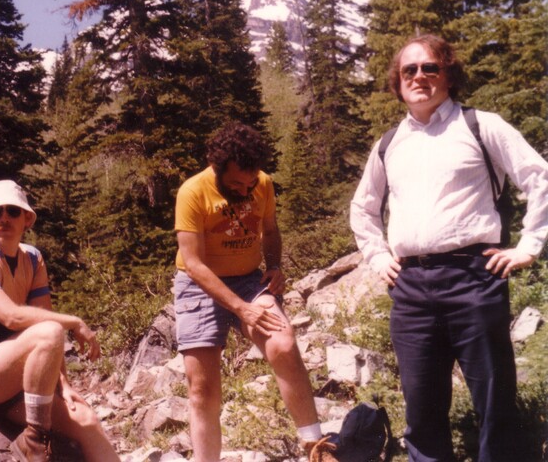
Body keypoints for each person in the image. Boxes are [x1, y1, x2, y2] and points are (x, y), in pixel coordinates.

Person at [350, 34, 548, 462]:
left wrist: (529, 245)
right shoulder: (388, 144)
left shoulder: (481, 126)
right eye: (409, 70)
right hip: (411, 287)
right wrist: (377, 255)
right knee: (421, 408)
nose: (419, 76)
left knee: (494, 402)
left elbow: (540, 177)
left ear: (448, 74)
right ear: (398, 82)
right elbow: (362, 207)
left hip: (475, 278)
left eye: (429, 68)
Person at [173, 122, 330, 462]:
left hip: (248, 278)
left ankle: (315, 446)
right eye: (236, 184)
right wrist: (241, 310)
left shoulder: (264, 184)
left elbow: (270, 230)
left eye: (250, 183)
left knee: (283, 344)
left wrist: (273, 265)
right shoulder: (192, 191)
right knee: (203, 389)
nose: (246, 191)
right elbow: (194, 264)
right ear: (217, 169)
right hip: (199, 284)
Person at [0, 179, 119, 462]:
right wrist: (73, 321)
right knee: (50, 331)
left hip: (14, 374)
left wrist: (63, 385)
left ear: (27, 219)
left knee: (87, 420)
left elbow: (44, 322)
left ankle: (38, 431)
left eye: (13, 211)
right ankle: (35, 439)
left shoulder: (32, 258)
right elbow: (11, 316)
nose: (4, 218)